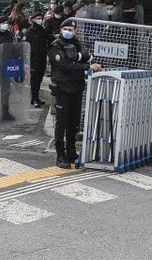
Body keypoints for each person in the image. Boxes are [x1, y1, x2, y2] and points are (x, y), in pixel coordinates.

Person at [48, 18, 102, 169]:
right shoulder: (55, 46)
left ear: (75, 31)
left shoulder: (77, 45)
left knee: (73, 124)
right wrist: (87, 66)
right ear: (60, 30)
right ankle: (60, 156)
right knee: (61, 123)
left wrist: (84, 61)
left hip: (76, 88)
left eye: (71, 30)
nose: (67, 32)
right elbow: (65, 65)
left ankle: (71, 152)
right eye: (65, 29)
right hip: (63, 89)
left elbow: (86, 56)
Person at [25, 11, 48, 108]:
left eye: (41, 18)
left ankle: (36, 97)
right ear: (33, 19)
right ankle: (34, 98)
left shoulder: (42, 30)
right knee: (34, 79)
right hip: (34, 59)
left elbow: (47, 39)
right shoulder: (30, 32)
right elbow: (25, 45)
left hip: (42, 57)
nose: (40, 20)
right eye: (38, 18)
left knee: (39, 79)